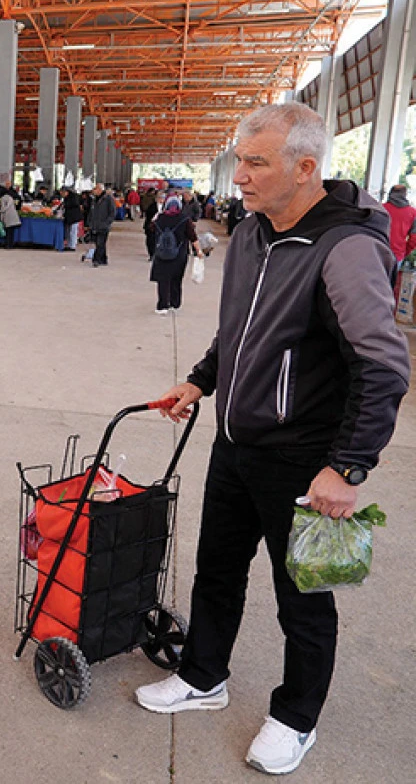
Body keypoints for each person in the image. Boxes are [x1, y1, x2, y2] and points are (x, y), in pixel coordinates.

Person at [137, 103, 409, 775]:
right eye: (239, 158)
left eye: (256, 161)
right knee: (216, 571)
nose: (240, 175)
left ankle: (296, 716)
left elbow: (383, 365)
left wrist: (345, 467)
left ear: (306, 168)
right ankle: (204, 676)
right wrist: (201, 381)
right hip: (236, 442)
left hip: (304, 460)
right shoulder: (254, 232)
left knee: (304, 598)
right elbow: (240, 330)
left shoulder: (345, 248)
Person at [149, 195, 199, 314]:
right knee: (176, 279)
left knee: (163, 280)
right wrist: (199, 251)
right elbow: (193, 236)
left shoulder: (160, 218)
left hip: (162, 254)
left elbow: (150, 229)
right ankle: (174, 303)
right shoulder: (185, 219)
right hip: (180, 255)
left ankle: (162, 306)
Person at [382, 184, 416, 264]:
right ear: (405, 194)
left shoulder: (380, 208)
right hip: (397, 255)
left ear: (390, 193)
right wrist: (404, 251)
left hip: (378, 251)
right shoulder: (412, 213)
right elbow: (414, 238)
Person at [87, 183, 116, 266]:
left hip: (103, 225)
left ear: (100, 190)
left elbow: (112, 212)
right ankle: (103, 259)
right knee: (99, 243)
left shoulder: (108, 199)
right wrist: (89, 222)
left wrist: (107, 222)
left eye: (95, 189)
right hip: (95, 224)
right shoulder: (94, 199)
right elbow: (91, 212)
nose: (93, 190)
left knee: (100, 242)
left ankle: (96, 259)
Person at [59, 187, 83, 251]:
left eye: (62, 193)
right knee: (69, 232)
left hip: (74, 217)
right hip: (70, 217)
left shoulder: (73, 198)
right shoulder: (67, 198)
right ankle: (69, 245)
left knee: (73, 232)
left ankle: (72, 246)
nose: (61, 194)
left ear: (66, 192)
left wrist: (65, 206)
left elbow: (72, 205)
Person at [142, 187, 160, 261]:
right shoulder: (152, 206)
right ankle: (152, 254)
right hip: (151, 225)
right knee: (150, 240)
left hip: (161, 226)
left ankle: (157, 254)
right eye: (159, 197)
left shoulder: (167, 207)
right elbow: (148, 214)